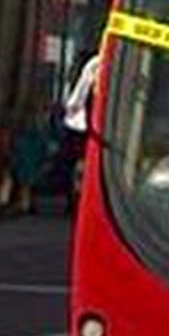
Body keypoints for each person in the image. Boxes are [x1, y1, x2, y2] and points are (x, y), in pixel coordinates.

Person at [60, 51, 101, 216]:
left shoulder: (95, 65)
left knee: (81, 168)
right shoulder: (95, 65)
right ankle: (76, 201)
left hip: (86, 129)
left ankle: (77, 201)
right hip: (84, 129)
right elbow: (77, 100)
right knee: (80, 168)